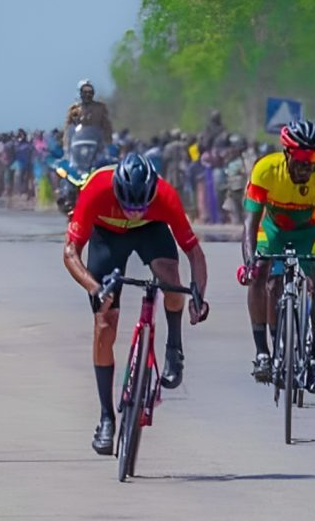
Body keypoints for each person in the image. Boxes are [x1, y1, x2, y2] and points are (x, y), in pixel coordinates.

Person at [62, 153, 209, 455]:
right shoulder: (96, 190)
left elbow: (194, 252)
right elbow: (70, 252)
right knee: (105, 323)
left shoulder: (165, 195)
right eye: (128, 203)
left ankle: (174, 348)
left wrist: (198, 295)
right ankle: (106, 417)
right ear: (116, 189)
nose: (132, 211)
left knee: (170, 276)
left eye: (140, 204)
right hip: (106, 235)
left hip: (150, 231)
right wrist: (95, 288)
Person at [240, 121, 315, 393]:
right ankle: (263, 351)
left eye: (312, 159)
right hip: (273, 227)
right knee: (262, 276)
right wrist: (250, 262)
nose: (306, 166)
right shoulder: (265, 170)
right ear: (286, 153)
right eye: (300, 159)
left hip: (308, 230)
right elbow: (250, 225)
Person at [63, 80, 113, 146]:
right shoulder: (74, 109)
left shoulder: (100, 108)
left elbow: (107, 127)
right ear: (80, 93)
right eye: (84, 92)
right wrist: (66, 145)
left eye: (90, 92)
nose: (87, 95)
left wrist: (107, 142)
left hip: (96, 145)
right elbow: (68, 129)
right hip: (78, 145)